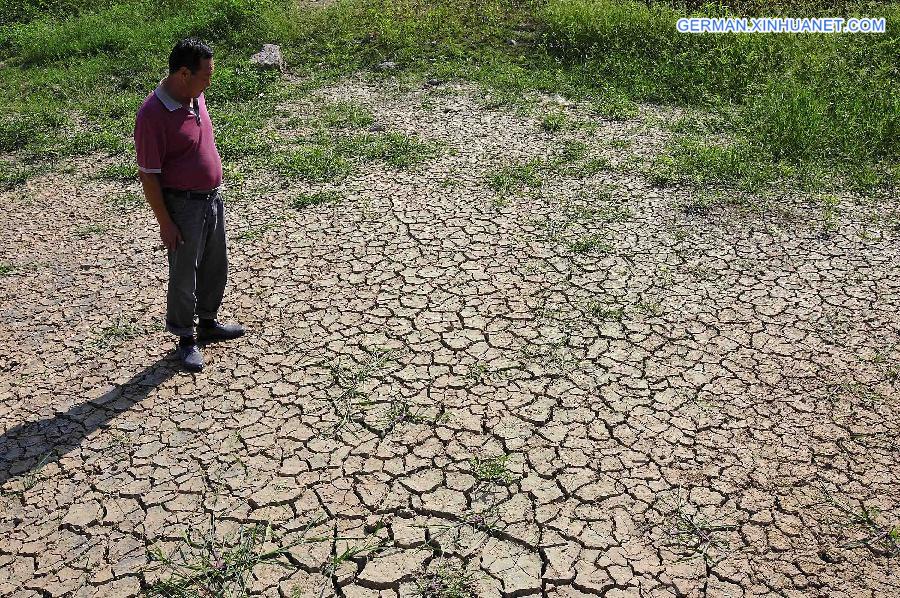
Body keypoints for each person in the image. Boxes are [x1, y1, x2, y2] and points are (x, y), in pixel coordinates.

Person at [135, 38, 244, 372]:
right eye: (206, 75)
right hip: (183, 206)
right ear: (184, 73)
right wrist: (165, 223)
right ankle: (185, 337)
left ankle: (208, 322)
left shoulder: (195, 97)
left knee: (215, 263)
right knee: (184, 275)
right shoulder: (152, 115)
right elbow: (149, 176)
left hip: (212, 198)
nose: (210, 81)